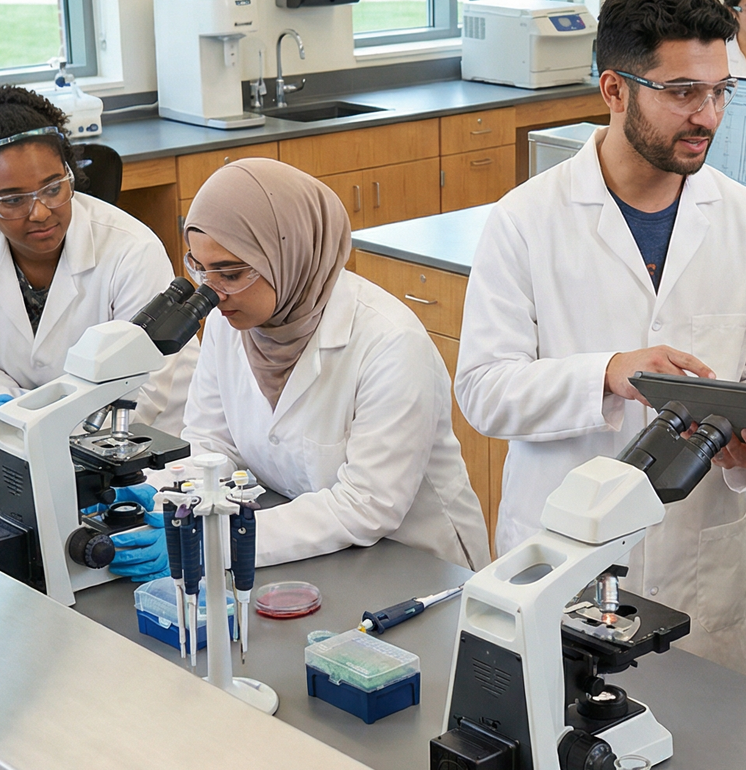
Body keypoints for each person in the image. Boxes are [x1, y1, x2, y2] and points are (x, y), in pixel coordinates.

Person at [456, 0, 746, 673]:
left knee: (700, 761)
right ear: (615, 90)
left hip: (696, 561)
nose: (706, 115)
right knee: (557, 755)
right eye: (682, 92)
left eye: (720, 91)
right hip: (563, 559)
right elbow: (484, 391)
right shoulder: (526, 221)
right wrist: (609, 373)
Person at [128, 158, 488, 581]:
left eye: (230, 272)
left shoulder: (390, 341)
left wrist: (217, 539)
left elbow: (366, 505)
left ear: (287, 252)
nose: (212, 292)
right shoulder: (234, 322)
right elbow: (213, 443)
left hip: (415, 566)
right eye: (201, 268)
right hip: (315, 558)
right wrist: (161, 493)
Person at [0, 85, 196, 462]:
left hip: (147, 450)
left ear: (70, 174)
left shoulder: (132, 249)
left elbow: (143, 389)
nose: (39, 212)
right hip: (27, 447)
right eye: (13, 199)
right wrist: (4, 412)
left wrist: (39, 428)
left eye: (53, 188)